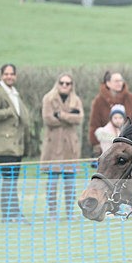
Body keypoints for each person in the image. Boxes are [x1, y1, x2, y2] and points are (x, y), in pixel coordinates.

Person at [0, 63, 31, 224]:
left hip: (15, 146)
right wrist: (9, 112)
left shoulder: (14, 93)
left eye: (12, 74)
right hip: (3, 145)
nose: (9, 76)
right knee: (9, 179)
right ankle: (12, 213)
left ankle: (10, 213)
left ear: (15, 76)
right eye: (6, 74)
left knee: (12, 180)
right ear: (1, 75)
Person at [40, 73, 84, 220]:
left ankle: (70, 213)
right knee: (52, 181)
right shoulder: (48, 98)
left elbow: (79, 118)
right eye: (62, 82)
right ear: (57, 83)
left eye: (68, 83)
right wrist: (68, 117)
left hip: (70, 146)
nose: (65, 85)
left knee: (70, 182)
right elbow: (48, 119)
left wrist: (61, 115)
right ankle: (53, 213)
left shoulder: (76, 100)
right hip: (53, 146)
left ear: (72, 85)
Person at [88, 71, 132, 158]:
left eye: (121, 80)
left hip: (128, 142)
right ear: (108, 83)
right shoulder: (99, 100)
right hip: (106, 142)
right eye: (116, 81)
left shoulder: (130, 98)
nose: (120, 83)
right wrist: (96, 145)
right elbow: (94, 124)